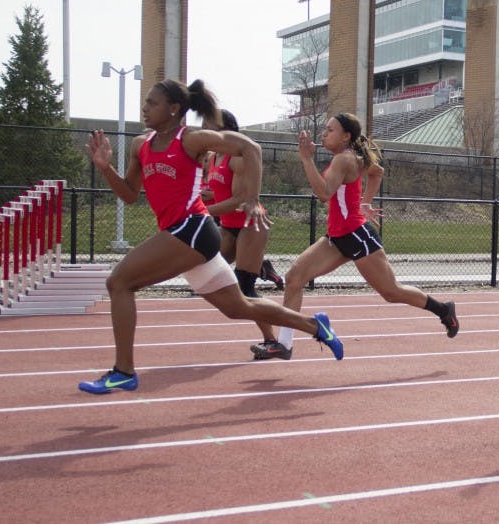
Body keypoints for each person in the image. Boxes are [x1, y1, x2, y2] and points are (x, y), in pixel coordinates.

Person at [79, 79, 343, 394]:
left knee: (119, 281)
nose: (145, 108)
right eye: (146, 103)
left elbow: (251, 147)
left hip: (191, 229)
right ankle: (316, 326)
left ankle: (123, 371)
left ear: (174, 109)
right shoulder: (141, 145)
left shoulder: (191, 139)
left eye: (152, 103)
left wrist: (252, 199)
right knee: (238, 307)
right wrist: (106, 168)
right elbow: (129, 194)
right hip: (181, 235)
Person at [263, 113, 459, 360]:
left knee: (391, 292)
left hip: (357, 236)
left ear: (346, 137)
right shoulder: (349, 158)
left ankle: (443, 310)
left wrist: (306, 159)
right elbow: (377, 172)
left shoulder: (344, 160)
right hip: (336, 238)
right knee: (293, 278)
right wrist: (364, 202)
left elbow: (324, 193)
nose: (324, 133)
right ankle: (284, 344)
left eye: (330, 130)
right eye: (324, 129)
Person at [201, 109, 290, 359]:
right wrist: (204, 197)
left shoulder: (238, 158)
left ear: (225, 130)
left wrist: (203, 211)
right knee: (208, 268)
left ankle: (273, 341)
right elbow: (222, 191)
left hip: (251, 224)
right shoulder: (214, 156)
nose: (204, 132)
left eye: (209, 127)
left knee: (245, 291)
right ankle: (260, 265)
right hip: (229, 226)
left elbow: (241, 199)